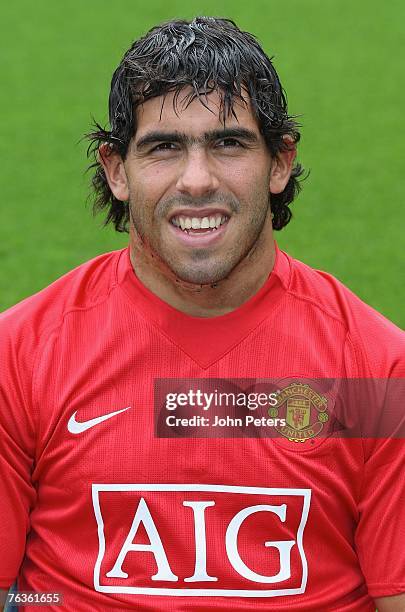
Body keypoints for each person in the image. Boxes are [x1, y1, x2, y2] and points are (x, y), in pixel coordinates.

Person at [0, 16, 404, 612]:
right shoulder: (21, 358)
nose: (197, 181)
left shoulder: (375, 373)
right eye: (164, 147)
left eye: (228, 143)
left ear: (279, 163)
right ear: (116, 171)